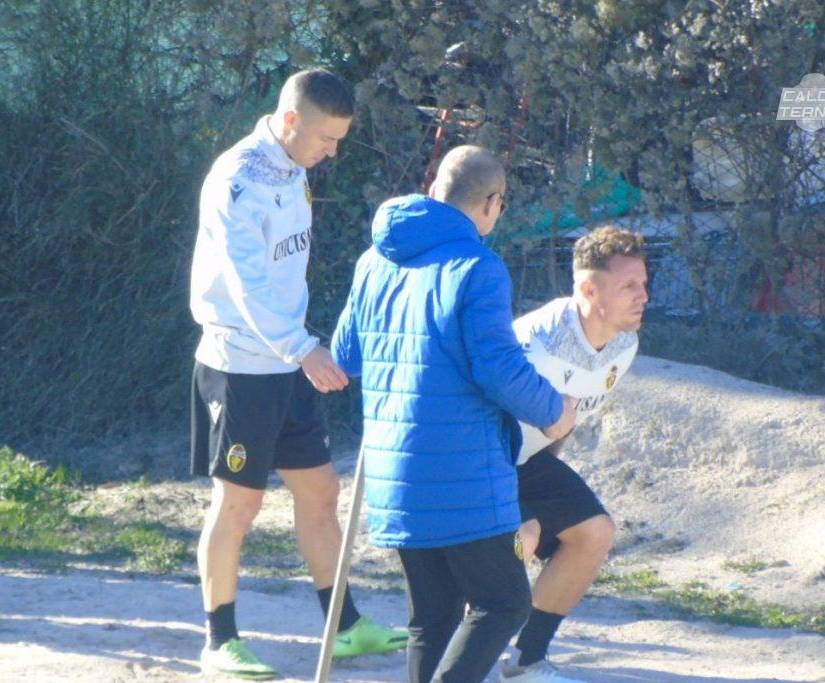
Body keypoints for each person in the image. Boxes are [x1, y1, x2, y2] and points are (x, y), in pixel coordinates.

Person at [189, 68, 406, 680]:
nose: (332, 152)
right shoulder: (236, 180)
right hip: (239, 365)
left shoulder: (295, 166)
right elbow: (247, 285)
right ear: (290, 120)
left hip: (289, 360)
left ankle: (345, 627)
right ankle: (219, 642)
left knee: (321, 492)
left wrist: (303, 348)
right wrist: (303, 348)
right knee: (238, 503)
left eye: (339, 140)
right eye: (325, 139)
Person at [331, 145, 578, 683]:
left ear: (435, 188)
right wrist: (552, 410)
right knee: (504, 602)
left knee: (435, 615)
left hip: (395, 474)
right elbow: (497, 367)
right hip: (461, 474)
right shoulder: (478, 266)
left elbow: (345, 356)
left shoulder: (373, 260)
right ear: (492, 201)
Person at [498, 226, 649, 682]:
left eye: (643, 283)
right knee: (521, 536)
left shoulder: (624, 344)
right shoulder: (538, 342)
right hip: (477, 458)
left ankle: (525, 661)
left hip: (527, 459)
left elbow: (566, 421)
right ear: (587, 290)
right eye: (628, 286)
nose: (643, 296)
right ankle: (467, 649)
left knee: (594, 532)